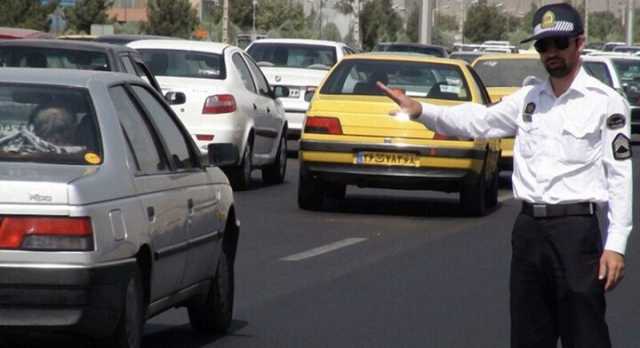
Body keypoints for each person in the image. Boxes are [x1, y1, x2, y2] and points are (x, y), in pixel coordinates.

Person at [378, 3, 631, 348]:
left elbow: (619, 176)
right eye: (543, 46)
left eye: (559, 43)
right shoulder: (529, 99)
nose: (551, 53)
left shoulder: (606, 102)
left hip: (576, 232)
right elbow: (478, 121)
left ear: (579, 43)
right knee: (528, 336)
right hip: (529, 232)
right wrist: (422, 110)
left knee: (584, 335)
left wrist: (616, 245)